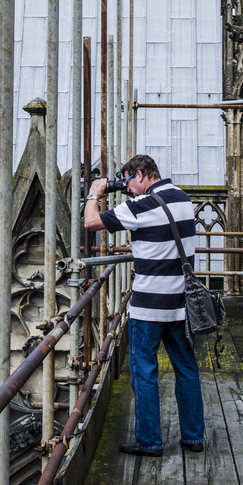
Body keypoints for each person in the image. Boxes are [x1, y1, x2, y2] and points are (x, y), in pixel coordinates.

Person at [84, 154, 205, 456]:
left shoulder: (141, 207)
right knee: (187, 369)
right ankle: (193, 438)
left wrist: (94, 194)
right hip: (181, 305)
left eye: (127, 182)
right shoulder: (182, 199)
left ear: (139, 175)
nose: (126, 189)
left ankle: (149, 441)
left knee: (144, 371)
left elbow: (90, 222)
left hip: (149, 306)